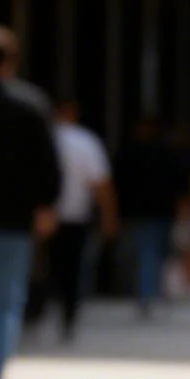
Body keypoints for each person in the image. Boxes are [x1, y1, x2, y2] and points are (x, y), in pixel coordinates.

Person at [0, 24, 62, 379]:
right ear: (9, 62)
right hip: (10, 225)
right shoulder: (29, 106)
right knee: (0, 308)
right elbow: (48, 165)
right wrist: (46, 206)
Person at [46, 99, 116, 340]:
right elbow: (101, 184)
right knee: (73, 268)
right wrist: (108, 218)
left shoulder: (47, 138)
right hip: (76, 214)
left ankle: (45, 308)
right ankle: (68, 312)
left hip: (45, 217)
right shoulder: (85, 141)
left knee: (49, 266)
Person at [112, 115, 188, 316]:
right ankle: (147, 293)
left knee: (146, 254)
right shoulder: (164, 154)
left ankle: (145, 293)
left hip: (144, 212)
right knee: (150, 254)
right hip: (154, 212)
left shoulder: (129, 154)